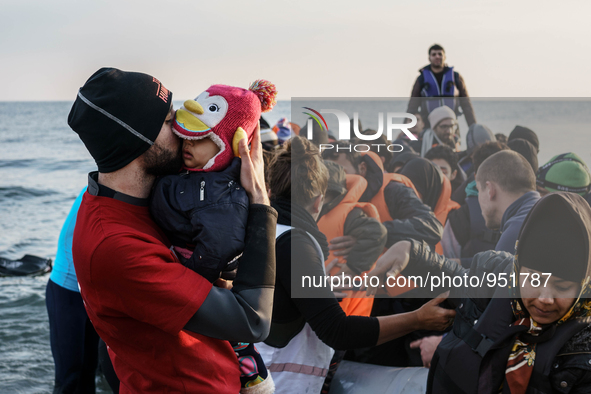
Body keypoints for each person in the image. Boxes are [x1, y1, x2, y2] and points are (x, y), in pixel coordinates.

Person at [68, 67, 277, 393]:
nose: (182, 128)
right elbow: (253, 320)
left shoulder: (154, 201)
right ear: (137, 138)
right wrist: (261, 204)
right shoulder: (115, 245)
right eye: (168, 122)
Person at [256, 136, 455, 394]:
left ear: (272, 191)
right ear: (318, 201)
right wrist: (417, 319)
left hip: (261, 376)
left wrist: (320, 286)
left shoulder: (267, 231)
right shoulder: (296, 243)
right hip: (280, 385)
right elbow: (337, 330)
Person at [368, 192, 591, 393]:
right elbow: (455, 275)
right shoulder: (494, 279)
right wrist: (413, 252)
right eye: (534, 279)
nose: (545, 298)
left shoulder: (583, 348)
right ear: (518, 267)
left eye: (561, 287)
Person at [149, 81, 278, 393]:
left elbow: (221, 244)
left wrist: (192, 279)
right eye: (186, 136)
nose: (187, 145)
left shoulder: (223, 193)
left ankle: (255, 381)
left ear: (228, 146)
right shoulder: (192, 176)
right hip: (196, 271)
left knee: (236, 344)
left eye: (202, 138)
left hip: (205, 276)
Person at [46, 186, 102, 393]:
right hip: (65, 290)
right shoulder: (93, 191)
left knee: (89, 371)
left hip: (92, 295)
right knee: (68, 376)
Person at [407, 44, 476, 128]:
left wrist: (473, 126)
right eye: (434, 54)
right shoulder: (421, 79)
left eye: (440, 54)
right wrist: (404, 129)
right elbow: (412, 106)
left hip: (451, 127)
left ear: (444, 57)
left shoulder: (455, 77)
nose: (437, 57)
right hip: (429, 126)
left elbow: (466, 105)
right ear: (429, 58)